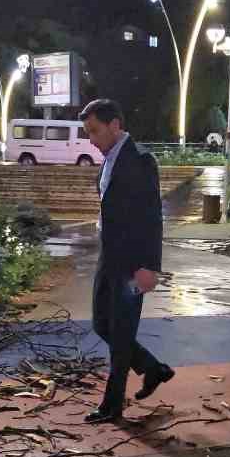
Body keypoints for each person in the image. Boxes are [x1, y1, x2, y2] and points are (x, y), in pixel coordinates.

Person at [78, 98, 172, 424]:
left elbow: (152, 218)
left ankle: (112, 405)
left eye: (94, 131)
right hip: (109, 257)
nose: (91, 139)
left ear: (115, 125)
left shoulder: (141, 160)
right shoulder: (108, 161)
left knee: (121, 330)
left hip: (133, 263)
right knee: (102, 324)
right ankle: (152, 368)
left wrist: (149, 267)